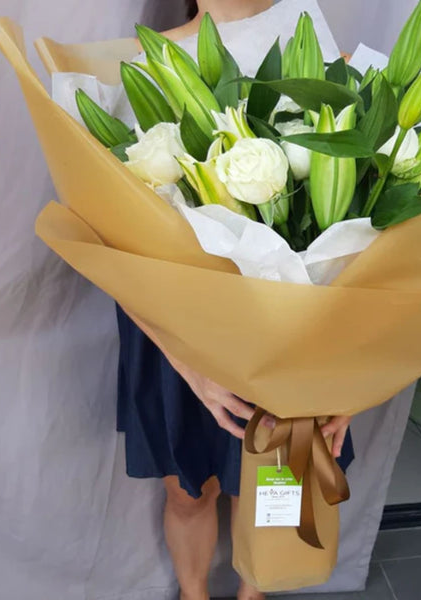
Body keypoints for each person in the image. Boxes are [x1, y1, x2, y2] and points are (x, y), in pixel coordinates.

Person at [116, 2, 355, 600]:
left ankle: (255, 595)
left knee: (273, 487)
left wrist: (353, 385)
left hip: (292, 325)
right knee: (187, 488)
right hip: (178, 327)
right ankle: (193, 594)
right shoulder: (150, 58)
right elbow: (111, 241)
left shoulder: (316, 49)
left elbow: (364, 236)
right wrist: (187, 362)